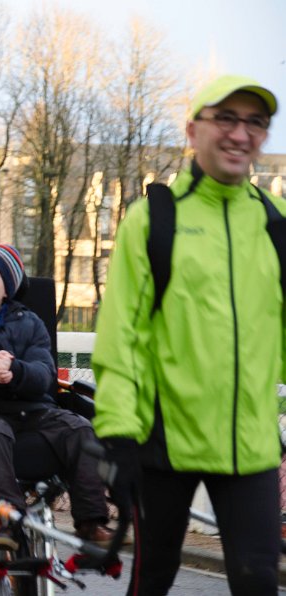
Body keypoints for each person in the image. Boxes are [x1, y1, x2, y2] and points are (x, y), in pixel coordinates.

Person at [92, 74, 283, 595]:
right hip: (163, 445)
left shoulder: (277, 224)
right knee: (152, 579)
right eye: (226, 119)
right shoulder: (154, 220)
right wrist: (118, 436)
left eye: (255, 122)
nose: (240, 134)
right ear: (193, 130)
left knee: (259, 580)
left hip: (250, 447)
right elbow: (122, 339)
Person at [0, 244, 114, 550]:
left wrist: (16, 371)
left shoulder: (30, 323)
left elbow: (45, 376)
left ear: (7, 289)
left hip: (34, 412)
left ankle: (91, 522)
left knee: (80, 429)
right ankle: (7, 522)